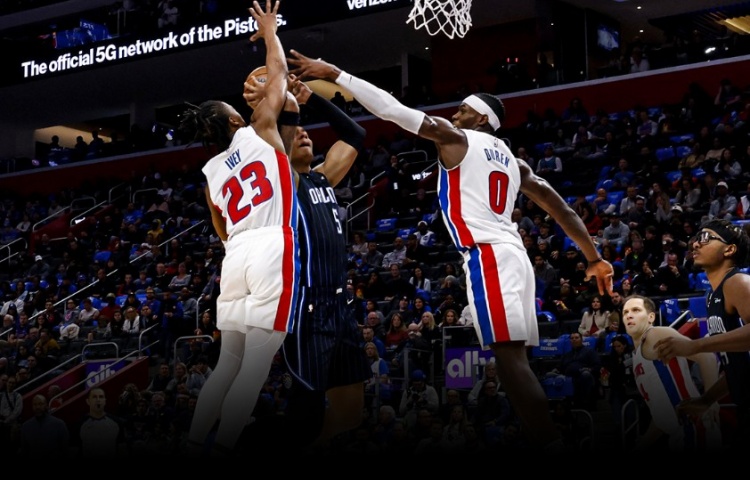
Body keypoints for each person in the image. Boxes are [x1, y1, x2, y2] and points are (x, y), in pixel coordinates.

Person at [286, 50, 615, 450]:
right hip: (515, 257)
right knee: (514, 363)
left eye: (463, 110)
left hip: (488, 255)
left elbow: (391, 109)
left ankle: (550, 442)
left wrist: (336, 73)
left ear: (481, 120)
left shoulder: (457, 138)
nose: (455, 115)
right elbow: (562, 209)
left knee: (510, 363)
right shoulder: (516, 163)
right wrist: (594, 258)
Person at [181, 0, 300, 456]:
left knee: (227, 363)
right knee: (256, 363)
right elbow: (279, 71)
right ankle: (225, 446)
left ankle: (195, 442)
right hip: (271, 244)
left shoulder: (211, 173)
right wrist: (270, 31)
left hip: (236, 255)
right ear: (235, 120)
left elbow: (221, 229)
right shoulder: (259, 127)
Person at [244, 70, 370, 449]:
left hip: (340, 308)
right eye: (297, 131)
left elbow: (355, 134)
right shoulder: (286, 183)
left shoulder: (322, 178)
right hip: (308, 311)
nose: (304, 133)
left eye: (307, 131)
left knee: (350, 413)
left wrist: (311, 97)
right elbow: (275, 132)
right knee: (305, 416)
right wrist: (277, 100)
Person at [654, 219, 750, 449]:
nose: (695, 244)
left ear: (729, 249)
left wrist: (695, 346)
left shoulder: (738, 282)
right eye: (696, 238)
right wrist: (707, 399)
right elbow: (739, 366)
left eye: (706, 238)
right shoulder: (712, 296)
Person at [623, 295, 722, 451]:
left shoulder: (655, 334)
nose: (629, 315)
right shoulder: (636, 357)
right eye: (625, 312)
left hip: (694, 428)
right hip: (679, 435)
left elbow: (706, 356)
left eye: (636, 310)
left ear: (651, 317)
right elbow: (663, 418)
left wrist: (709, 401)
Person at [72, 387, 126, 458]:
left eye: (101, 397)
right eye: (94, 397)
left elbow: (122, 449)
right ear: (88, 401)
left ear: (105, 401)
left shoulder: (116, 422)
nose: (98, 400)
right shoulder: (79, 424)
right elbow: (73, 450)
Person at [18, 394, 69, 459]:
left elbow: (65, 449)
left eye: (40, 404)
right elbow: (24, 451)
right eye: (35, 404)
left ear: (46, 406)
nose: (37, 407)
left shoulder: (59, 424)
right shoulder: (26, 426)